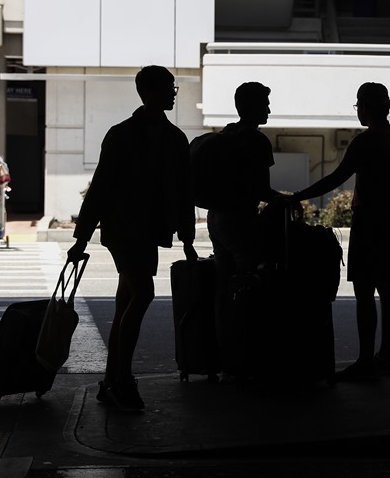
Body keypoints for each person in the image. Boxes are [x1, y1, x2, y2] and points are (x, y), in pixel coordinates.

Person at [67, 66, 197, 411]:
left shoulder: (170, 138)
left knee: (127, 299)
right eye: (169, 88)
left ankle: (112, 380)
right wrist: (82, 237)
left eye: (174, 88)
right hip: (125, 229)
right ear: (149, 91)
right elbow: (101, 188)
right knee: (142, 293)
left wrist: (187, 236)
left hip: (146, 230)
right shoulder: (127, 135)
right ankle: (120, 379)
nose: (173, 93)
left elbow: (184, 191)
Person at [290, 83, 390, 381]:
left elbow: (336, 178)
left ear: (366, 106)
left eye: (358, 105)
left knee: (365, 293)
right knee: (388, 287)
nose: (357, 110)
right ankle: (385, 357)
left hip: (370, 221)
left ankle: (366, 360)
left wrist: (297, 195)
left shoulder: (364, 142)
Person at [203, 81, 281, 382]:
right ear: (252, 106)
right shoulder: (257, 141)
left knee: (223, 289)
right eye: (264, 104)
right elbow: (262, 189)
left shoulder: (226, 134)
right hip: (239, 220)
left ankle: (224, 356)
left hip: (216, 218)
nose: (269, 109)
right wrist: (283, 200)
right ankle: (245, 354)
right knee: (248, 286)